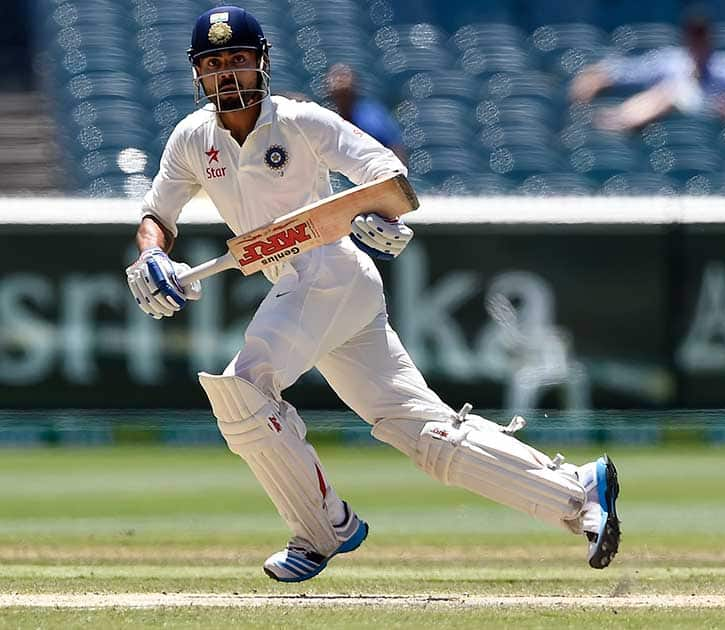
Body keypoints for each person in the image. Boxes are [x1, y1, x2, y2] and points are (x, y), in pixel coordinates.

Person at [123, 6, 620, 583]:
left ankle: (323, 528)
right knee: (422, 431)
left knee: (243, 386)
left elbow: (385, 176)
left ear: (262, 63)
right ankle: (575, 490)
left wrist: (375, 214)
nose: (227, 75)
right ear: (197, 73)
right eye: (214, 64)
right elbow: (157, 213)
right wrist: (152, 254)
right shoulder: (192, 138)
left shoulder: (301, 122)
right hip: (304, 286)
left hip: (328, 269)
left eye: (238, 60)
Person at [569, 11, 725, 130]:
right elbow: (632, 71)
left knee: (669, 92)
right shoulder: (671, 61)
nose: (698, 41)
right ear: (686, 37)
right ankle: (617, 120)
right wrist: (601, 73)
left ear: (710, 38)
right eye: (694, 35)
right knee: (668, 91)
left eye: (702, 35)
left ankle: (615, 121)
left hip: (711, 116)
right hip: (674, 116)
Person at [326, 63, 406, 162]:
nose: (342, 100)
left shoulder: (371, 118)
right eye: (338, 95)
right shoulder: (329, 117)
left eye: (345, 94)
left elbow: (395, 148)